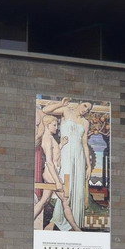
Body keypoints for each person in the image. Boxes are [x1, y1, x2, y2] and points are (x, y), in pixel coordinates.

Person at [45, 99, 93, 231]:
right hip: (65, 154)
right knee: (66, 189)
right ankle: (55, 221)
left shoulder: (85, 122)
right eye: (84, 106)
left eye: (88, 109)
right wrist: (61, 104)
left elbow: (84, 144)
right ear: (79, 103)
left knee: (77, 189)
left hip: (79, 158)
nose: (85, 110)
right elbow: (46, 110)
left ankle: (74, 224)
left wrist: (88, 165)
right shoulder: (66, 111)